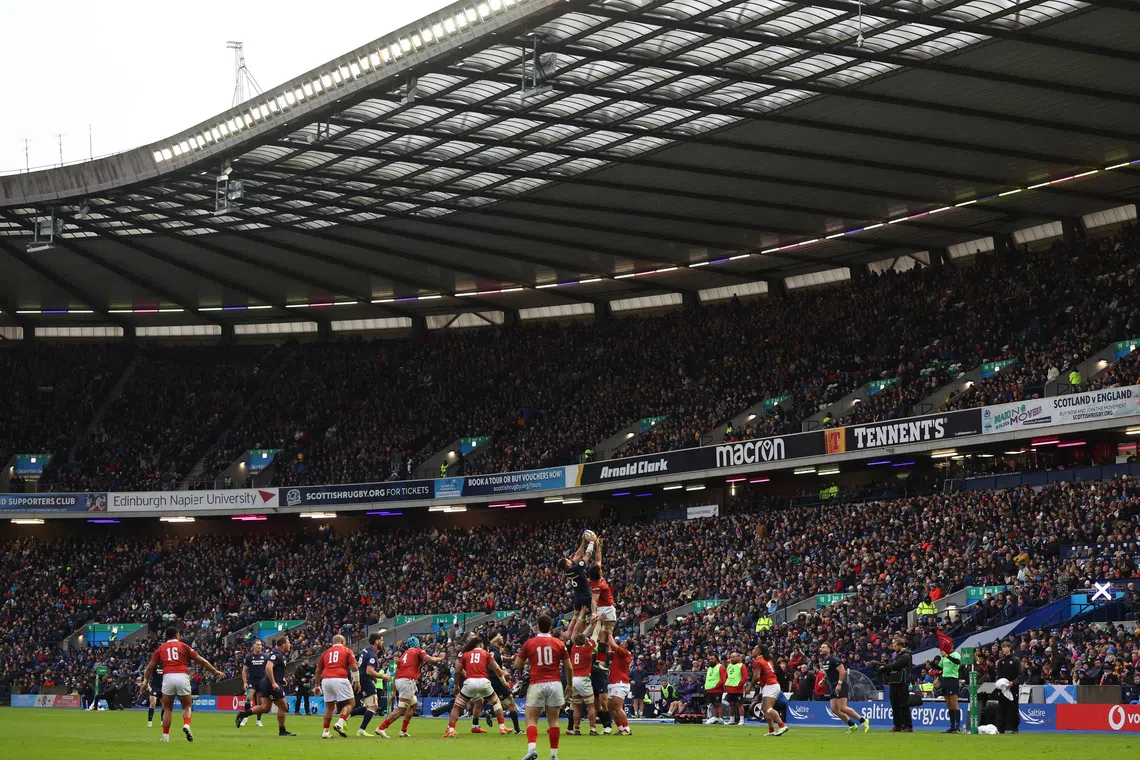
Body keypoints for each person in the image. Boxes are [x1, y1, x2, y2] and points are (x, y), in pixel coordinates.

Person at [143, 627, 223, 744]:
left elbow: (150, 667)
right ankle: (186, 724)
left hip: (168, 677)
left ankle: (165, 736)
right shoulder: (184, 646)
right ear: (177, 635)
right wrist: (215, 671)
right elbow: (201, 661)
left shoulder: (161, 648)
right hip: (182, 676)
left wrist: (145, 681)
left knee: (167, 708)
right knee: (187, 705)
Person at [513, 613, 573, 760]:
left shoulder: (529, 643)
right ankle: (553, 755)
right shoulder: (559, 643)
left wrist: (530, 661)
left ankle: (532, 748)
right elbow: (569, 667)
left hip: (537, 683)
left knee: (531, 718)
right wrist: (570, 685)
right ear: (551, 628)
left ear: (537, 627)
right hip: (555, 683)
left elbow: (517, 665)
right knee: (553, 720)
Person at [375, 636, 443, 738]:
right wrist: (441, 657)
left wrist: (394, 692)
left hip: (400, 681)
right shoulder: (418, 651)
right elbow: (430, 660)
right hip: (407, 681)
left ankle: (403, 730)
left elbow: (397, 673)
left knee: (413, 705)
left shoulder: (404, 655)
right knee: (401, 709)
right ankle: (381, 728)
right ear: (417, 644)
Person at [445, 635, 512, 737]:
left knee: (457, 706)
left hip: (469, 682)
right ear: (481, 644)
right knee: (496, 702)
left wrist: (456, 686)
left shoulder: (465, 654)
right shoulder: (486, 654)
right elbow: (497, 669)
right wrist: (504, 679)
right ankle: (502, 727)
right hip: (484, 682)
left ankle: (451, 729)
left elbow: (457, 672)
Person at [234, 635, 296, 736]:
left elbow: (273, 669)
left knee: (265, 707)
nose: (290, 645)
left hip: (264, 683)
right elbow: (268, 667)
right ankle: (282, 730)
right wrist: (274, 682)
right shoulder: (276, 655)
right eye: (288, 643)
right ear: (284, 644)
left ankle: (243, 714)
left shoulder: (274, 654)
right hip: (269, 684)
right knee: (284, 706)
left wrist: (281, 679)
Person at [317, 634, 359, 739]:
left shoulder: (326, 653)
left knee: (329, 706)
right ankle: (340, 723)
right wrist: (357, 681)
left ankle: (325, 731)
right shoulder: (347, 651)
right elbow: (354, 667)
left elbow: (318, 670)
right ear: (343, 641)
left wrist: (317, 685)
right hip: (339, 678)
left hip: (326, 679)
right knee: (350, 703)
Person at [820, 643, 869, 733]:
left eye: (823, 647)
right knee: (834, 709)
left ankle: (863, 720)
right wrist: (823, 680)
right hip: (833, 686)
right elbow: (828, 672)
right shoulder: (825, 660)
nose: (821, 649)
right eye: (821, 647)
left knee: (842, 708)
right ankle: (852, 725)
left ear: (829, 649)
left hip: (840, 684)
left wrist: (839, 684)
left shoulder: (835, 659)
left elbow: (842, 672)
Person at [558, 536, 595, 641]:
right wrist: (592, 542)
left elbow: (577, 555)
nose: (569, 559)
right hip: (586, 595)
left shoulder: (568, 570)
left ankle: (582, 636)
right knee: (594, 615)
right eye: (567, 560)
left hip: (577, 597)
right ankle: (591, 638)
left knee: (581, 617)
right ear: (567, 564)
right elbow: (587, 556)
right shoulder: (576, 568)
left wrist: (583, 542)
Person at [356, 632, 392, 736]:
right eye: (381, 640)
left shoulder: (366, 650)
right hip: (365, 680)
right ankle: (359, 728)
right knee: (373, 706)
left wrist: (373, 677)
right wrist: (383, 676)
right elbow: (369, 671)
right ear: (376, 641)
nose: (382, 642)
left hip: (363, 679)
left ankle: (347, 717)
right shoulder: (372, 654)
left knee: (369, 706)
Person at [878, 637, 913, 733]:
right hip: (894, 681)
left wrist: (885, 666)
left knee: (904, 704)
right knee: (895, 705)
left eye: (895, 646)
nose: (893, 648)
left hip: (902, 682)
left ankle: (907, 725)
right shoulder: (896, 656)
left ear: (900, 646)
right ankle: (897, 725)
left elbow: (896, 665)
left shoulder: (906, 655)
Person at [752, 645, 788, 736]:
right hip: (772, 684)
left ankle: (782, 725)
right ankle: (771, 730)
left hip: (770, 685)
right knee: (765, 709)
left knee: (768, 708)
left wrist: (750, 687)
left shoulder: (758, 661)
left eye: (754, 649)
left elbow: (756, 677)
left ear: (759, 651)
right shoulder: (768, 660)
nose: (752, 651)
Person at [568, 633, 598, 735]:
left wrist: (590, 624)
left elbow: (581, 636)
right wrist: (597, 623)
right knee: (590, 705)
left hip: (573, 679)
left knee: (576, 706)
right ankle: (592, 729)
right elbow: (596, 634)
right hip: (583, 679)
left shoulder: (573, 648)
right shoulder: (587, 648)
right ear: (585, 641)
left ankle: (576, 729)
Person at [932, 642, 963, 733]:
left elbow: (957, 662)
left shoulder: (955, 654)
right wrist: (930, 663)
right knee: (949, 704)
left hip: (952, 680)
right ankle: (952, 726)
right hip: (945, 680)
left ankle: (957, 727)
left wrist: (947, 656)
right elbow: (939, 667)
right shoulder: (944, 657)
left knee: (954, 703)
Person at [607, 639, 633, 735]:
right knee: (610, 707)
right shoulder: (620, 653)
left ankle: (627, 729)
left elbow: (613, 646)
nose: (621, 642)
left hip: (620, 683)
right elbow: (610, 651)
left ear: (626, 646)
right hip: (614, 683)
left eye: (624, 642)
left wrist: (610, 634)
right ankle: (620, 728)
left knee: (618, 707)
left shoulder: (625, 652)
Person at [994, 642, 1022, 734]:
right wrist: (999, 683)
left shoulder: (1016, 660)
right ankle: (1001, 729)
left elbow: (1020, 675)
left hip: (1013, 688)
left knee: (1013, 709)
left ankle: (1014, 729)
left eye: (1005, 647)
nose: (1003, 649)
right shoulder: (1001, 661)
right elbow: (998, 675)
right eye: (1002, 648)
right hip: (1003, 689)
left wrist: (1013, 683)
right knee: (1001, 709)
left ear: (1009, 648)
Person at [240, 639, 266, 728]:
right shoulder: (249, 657)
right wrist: (245, 682)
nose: (259, 646)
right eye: (258, 645)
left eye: (260, 645)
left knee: (259, 703)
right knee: (248, 699)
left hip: (262, 682)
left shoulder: (265, 657)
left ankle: (258, 720)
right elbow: (244, 670)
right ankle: (245, 718)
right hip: (252, 681)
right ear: (254, 646)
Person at [723, 652, 749, 725]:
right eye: (731, 657)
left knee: (739, 704)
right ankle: (731, 719)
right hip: (730, 688)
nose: (732, 658)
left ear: (738, 658)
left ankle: (741, 720)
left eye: (734, 657)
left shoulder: (741, 666)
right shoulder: (729, 666)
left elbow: (745, 677)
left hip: (738, 689)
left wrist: (739, 685)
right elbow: (726, 675)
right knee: (731, 704)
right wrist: (725, 683)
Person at [703, 655, 727, 724]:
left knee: (718, 703)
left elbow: (723, 678)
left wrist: (717, 685)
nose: (710, 660)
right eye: (710, 659)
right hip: (709, 689)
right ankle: (716, 718)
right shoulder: (709, 668)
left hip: (717, 689)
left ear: (716, 659)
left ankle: (721, 718)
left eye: (712, 659)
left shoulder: (721, 667)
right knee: (713, 704)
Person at [145, 657, 163, 727]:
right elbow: (147, 673)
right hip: (155, 686)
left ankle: (162, 721)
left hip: (163, 686)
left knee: (164, 705)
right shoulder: (154, 665)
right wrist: (147, 684)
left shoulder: (166, 665)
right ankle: (150, 722)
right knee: (153, 703)